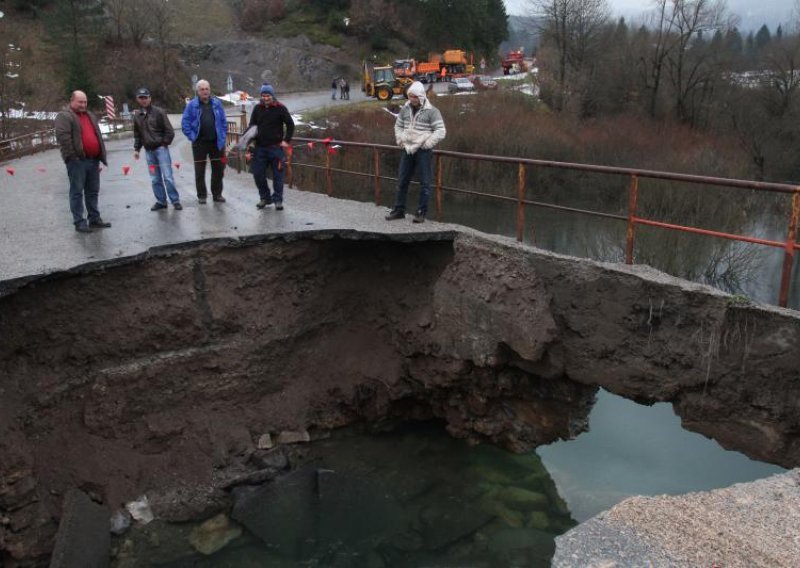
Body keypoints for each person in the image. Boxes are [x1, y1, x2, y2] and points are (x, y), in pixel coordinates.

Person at [385, 81, 446, 224]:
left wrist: (428, 144)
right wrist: (399, 139)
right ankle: (399, 210)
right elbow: (398, 125)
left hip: (423, 151)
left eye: (414, 97)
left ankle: (421, 213)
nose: (412, 99)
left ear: (421, 96)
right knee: (402, 181)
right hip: (407, 149)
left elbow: (441, 131)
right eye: (410, 96)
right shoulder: (405, 109)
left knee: (425, 183)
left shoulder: (432, 111)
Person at [54, 90, 111, 233]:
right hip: (77, 161)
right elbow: (63, 139)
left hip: (93, 160)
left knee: (92, 191)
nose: (83, 104)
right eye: (80, 101)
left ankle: (94, 218)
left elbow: (96, 135)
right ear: (71, 101)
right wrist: (73, 157)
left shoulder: (90, 115)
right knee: (77, 192)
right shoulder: (64, 116)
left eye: (85, 101)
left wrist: (100, 155)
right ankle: (79, 222)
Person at [132, 87, 181, 211]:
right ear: (138, 99)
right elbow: (137, 134)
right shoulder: (137, 116)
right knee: (155, 179)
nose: (143, 100)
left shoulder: (159, 112)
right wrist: (137, 149)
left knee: (168, 177)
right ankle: (161, 201)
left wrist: (164, 143)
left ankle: (175, 200)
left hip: (161, 150)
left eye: (145, 97)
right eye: (141, 98)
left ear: (150, 98)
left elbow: (169, 131)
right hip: (149, 152)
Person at [181, 79, 228, 204]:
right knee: (199, 171)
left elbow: (223, 122)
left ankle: (217, 194)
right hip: (200, 143)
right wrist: (193, 137)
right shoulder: (192, 105)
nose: (205, 91)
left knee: (218, 170)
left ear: (210, 90)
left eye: (206, 89)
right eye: (202, 89)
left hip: (216, 143)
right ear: (197, 91)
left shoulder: (217, 104)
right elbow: (185, 123)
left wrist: (222, 137)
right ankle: (202, 195)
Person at [248, 83, 294, 211]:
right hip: (260, 148)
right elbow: (252, 127)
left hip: (276, 149)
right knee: (257, 174)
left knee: (278, 177)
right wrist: (249, 144)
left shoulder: (280, 108)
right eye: (263, 95)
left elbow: (290, 125)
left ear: (272, 95)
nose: (265, 98)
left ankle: (278, 200)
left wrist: (286, 140)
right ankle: (265, 198)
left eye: (268, 95)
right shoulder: (257, 108)